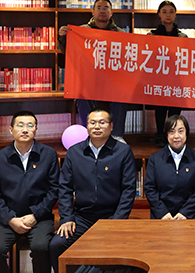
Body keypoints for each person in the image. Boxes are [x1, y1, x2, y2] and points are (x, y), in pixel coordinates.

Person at [50, 108, 136, 273]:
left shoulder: (123, 151)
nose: (97, 127)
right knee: (57, 245)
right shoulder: (75, 152)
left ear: (111, 126)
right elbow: (65, 188)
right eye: (93, 123)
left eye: (102, 122)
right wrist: (67, 218)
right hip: (82, 217)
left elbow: (128, 189)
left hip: (111, 217)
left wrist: (117, 220)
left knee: (122, 252)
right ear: (87, 126)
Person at [0, 111, 59, 273]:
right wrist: (10, 219)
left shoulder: (49, 155)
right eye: (20, 125)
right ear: (11, 129)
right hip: (10, 218)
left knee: (41, 247)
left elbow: (54, 190)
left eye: (30, 126)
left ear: (36, 129)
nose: (25, 130)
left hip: (40, 217)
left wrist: (35, 216)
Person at [58, 0, 128, 141]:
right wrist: (62, 37)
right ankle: (91, 134)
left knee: (122, 95)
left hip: (112, 81)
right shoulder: (81, 31)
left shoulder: (120, 33)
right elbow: (69, 53)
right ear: (93, 12)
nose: (103, 11)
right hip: (89, 81)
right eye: (99, 8)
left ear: (111, 12)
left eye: (106, 8)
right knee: (81, 96)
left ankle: (117, 136)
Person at [144, 115, 195, 220]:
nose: (176, 136)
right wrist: (163, 213)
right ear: (166, 134)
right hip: (161, 217)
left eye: (180, 131)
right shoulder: (155, 158)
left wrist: (185, 213)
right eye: (172, 132)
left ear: (187, 133)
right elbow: (150, 189)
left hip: (188, 217)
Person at [149, 0, 188, 147]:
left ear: (175, 14)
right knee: (160, 108)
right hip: (158, 77)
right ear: (159, 14)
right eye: (164, 11)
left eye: (171, 11)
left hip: (177, 79)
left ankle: (173, 134)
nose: (168, 14)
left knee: (174, 110)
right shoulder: (151, 35)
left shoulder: (183, 37)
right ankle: (160, 134)